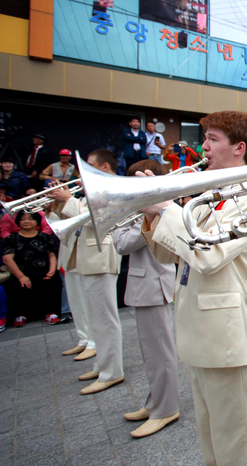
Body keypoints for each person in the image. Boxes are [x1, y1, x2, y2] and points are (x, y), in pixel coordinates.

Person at [140, 111, 247, 465]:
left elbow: (209, 257)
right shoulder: (208, 193)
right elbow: (169, 254)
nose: (204, 147)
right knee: (210, 437)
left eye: (212, 139)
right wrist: (152, 215)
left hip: (225, 336)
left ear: (238, 148)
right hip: (197, 330)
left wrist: (167, 209)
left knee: (235, 442)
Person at [112, 159, 179, 438]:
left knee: (161, 353)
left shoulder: (162, 210)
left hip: (155, 284)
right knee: (151, 353)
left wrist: (150, 216)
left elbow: (126, 243)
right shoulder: (137, 211)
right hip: (143, 284)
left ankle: (166, 409)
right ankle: (155, 403)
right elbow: (119, 243)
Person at [49, 149, 124, 395]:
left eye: (88, 166)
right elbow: (73, 219)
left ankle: (112, 372)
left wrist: (68, 199)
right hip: (89, 257)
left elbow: (96, 218)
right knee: (96, 318)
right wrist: (59, 202)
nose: (81, 173)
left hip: (101, 257)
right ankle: (102, 365)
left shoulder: (111, 187)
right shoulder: (90, 191)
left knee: (105, 319)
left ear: (103, 167)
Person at [2, 212, 62, 327]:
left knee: (54, 281)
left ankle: (51, 314)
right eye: (23, 219)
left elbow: (51, 255)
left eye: (30, 219)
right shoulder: (11, 238)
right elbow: (7, 259)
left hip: (43, 271)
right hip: (21, 273)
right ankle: (20, 316)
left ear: (37, 222)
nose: (27, 221)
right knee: (17, 285)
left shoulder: (45, 237)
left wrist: (52, 270)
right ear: (18, 222)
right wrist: (21, 276)